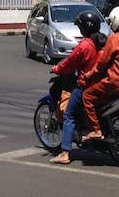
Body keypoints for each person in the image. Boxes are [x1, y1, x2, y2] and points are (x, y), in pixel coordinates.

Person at [80, 5, 119, 144]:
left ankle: (96, 130)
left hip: (117, 84)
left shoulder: (114, 40)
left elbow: (102, 64)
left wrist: (90, 74)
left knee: (87, 96)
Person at [49, 10, 105, 165]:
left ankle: (65, 153)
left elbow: (69, 64)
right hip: (101, 84)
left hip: (85, 85)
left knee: (68, 116)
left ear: (83, 28)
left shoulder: (84, 45)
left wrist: (56, 69)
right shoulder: (102, 41)